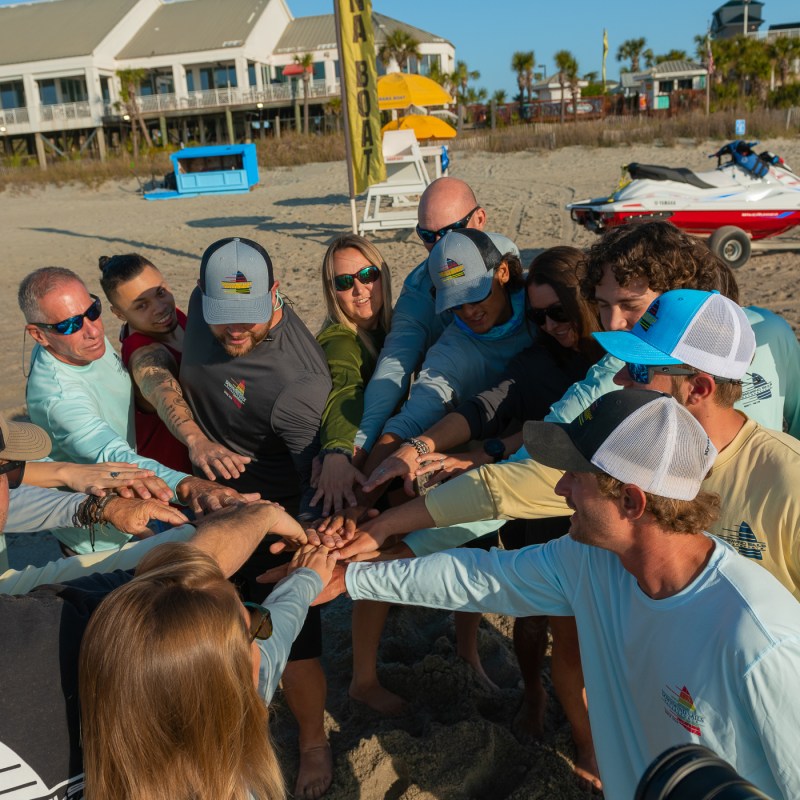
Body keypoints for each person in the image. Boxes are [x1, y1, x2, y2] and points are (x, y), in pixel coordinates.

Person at [308, 389, 800, 800]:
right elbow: (481, 577)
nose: (560, 488)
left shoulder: (759, 641)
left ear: (632, 501)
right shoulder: (591, 562)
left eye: (575, 475)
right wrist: (350, 579)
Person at [0, 437, 314, 800]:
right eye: (7, 470)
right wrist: (269, 526)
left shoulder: (58, 628)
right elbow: (179, 578)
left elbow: (176, 576)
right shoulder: (69, 627)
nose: (14, 480)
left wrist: (87, 499)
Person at [179, 236, 333, 800]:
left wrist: (300, 549)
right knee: (201, 635)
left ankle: (313, 740)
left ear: (275, 295)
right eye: (223, 314)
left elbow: (314, 480)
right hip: (205, 502)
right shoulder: (202, 309)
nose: (235, 329)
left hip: (273, 518)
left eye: (248, 314)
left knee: (291, 642)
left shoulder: (299, 384)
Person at [18, 267, 253, 554]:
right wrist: (191, 485)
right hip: (98, 536)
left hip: (137, 497)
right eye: (70, 325)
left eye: (92, 311)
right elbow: (114, 456)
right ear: (38, 335)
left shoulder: (77, 344)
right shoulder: (58, 400)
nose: (93, 331)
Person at [79, 539, 336, 800]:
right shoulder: (249, 693)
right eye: (252, 631)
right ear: (222, 685)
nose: (263, 639)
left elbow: (281, 622)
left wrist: (306, 578)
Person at [360, 228, 532, 487]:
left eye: (476, 295)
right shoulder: (451, 351)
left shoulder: (543, 305)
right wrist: (364, 490)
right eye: (456, 304)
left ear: (503, 272)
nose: (469, 311)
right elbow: (412, 418)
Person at [353, 176, 488, 460]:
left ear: (479, 219)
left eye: (451, 231)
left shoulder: (510, 269)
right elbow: (394, 365)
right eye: (428, 236)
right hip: (451, 419)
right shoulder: (418, 289)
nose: (439, 246)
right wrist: (359, 446)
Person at [98, 252, 248, 478]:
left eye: (160, 293)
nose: (160, 307)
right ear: (119, 313)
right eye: (142, 306)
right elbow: (163, 392)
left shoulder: (173, 320)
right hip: (178, 478)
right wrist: (196, 440)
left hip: (217, 460)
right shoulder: (144, 353)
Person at [311, 234, 392, 515]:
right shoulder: (340, 341)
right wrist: (336, 452)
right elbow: (345, 388)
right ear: (332, 292)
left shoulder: (394, 326)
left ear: (383, 275)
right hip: (362, 463)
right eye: (344, 282)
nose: (359, 289)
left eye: (368, 275)